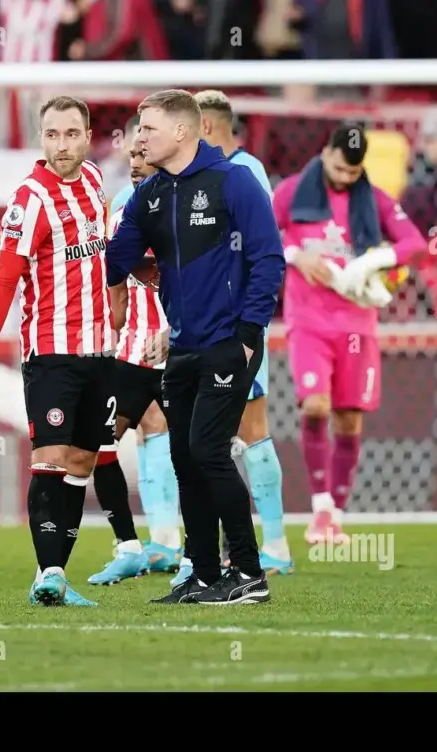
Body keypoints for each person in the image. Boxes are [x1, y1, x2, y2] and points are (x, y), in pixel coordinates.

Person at [107, 89, 285, 605]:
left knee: (208, 451)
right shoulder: (152, 194)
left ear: (183, 131)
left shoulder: (234, 180)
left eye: (148, 129)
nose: (138, 138)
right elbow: (115, 261)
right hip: (180, 346)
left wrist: (250, 336)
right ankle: (205, 574)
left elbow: (268, 259)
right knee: (185, 457)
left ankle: (249, 573)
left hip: (229, 344)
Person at [0, 95, 113, 608]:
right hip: (51, 351)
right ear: (41, 138)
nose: (62, 145)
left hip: (101, 350)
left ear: (88, 135)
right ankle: (51, 573)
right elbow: (6, 278)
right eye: (52, 135)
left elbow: (103, 260)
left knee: (80, 462)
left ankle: (48, 572)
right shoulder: (30, 200)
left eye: (71, 134)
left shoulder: (96, 182)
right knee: (50, 456)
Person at [271, 122, 425, 544]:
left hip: (357, 323)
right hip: (309, 321)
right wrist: (295, 255)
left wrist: (378, 259)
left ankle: (335, 515)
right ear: (326, 153)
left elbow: (416, 243)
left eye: (352, 174)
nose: (343, 179)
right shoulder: (291, 193)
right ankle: (320, 506)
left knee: (349, 420)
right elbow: (260, 232)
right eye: (338, 169)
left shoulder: (374, 201)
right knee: (315, 405)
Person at [194, 89, 293, 577]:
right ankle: (221, 547)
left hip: (239, 326)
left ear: (207, 127)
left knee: (252, 430)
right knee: (217, 435)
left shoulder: (245, 172)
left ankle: (274, 544)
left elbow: (261, 253)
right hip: (209, 325)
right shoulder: (214, 174)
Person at [86, 122, 182, 586]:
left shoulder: (184, 203)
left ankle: (176, 545)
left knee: (191, 448)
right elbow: (112, 278)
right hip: (125, 351)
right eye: (131, 160)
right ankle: (131, 544)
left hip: (176, 347)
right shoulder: (120, 206)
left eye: (145, 156)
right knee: (102, 444)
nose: (137, 164)